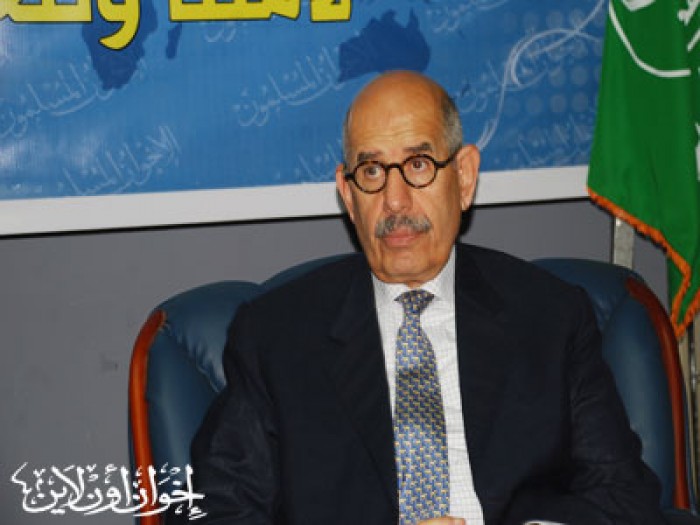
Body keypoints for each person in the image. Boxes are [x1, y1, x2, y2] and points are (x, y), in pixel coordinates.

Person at [188, 71, 665, 524]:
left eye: (418, 165)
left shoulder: (550, 318)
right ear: (348, 195)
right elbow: (215, 510)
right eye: (371, 170)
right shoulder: (277, 338)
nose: (395, 200)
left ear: (464, 177)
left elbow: (624, 496)